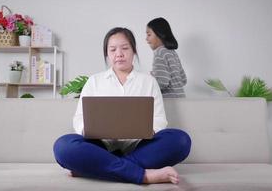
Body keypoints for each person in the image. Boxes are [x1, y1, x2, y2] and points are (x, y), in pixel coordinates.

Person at [53, 27, 191, 184]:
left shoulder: (148, 81)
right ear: (107, 54)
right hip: (100, 146)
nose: (119, 54)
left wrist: (150, 129)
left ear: (134, 51)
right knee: (63, 146)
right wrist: (87, 128)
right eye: (112, 50)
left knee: (181, 140)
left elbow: (159, 119)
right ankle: (143, 175)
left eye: (125, 48)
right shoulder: (94, 81)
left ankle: (97, 167)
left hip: (140, 146)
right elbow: (79, 118)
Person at [146, 17, 187, 98]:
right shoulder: (172, 53)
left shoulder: (159, 53)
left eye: (149, 34)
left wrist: (151, 77)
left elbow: (162, 82)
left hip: (169, 102)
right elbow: (183, 80)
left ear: (159, 34)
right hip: (181, 99)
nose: (146, 39)